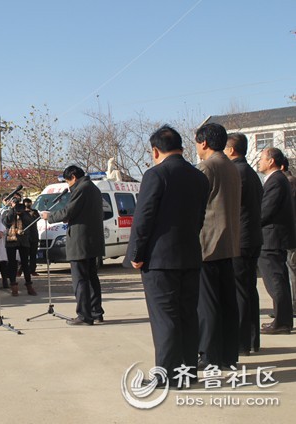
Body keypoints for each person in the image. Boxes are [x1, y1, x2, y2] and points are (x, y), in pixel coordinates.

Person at [126, 125, 209, 385]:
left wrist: (136, 253)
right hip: (190, 255)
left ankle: (167, 375)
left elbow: (143, 218)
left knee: (165, 318)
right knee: (187, 315)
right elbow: (199, 218)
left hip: (160, 259)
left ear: (155, 150)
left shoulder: (156, 175)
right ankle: (187, 372)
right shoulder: (199, 177)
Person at [194, 123, 241, 368]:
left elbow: (195, 206)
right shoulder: (231, 167)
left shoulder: (206, 167)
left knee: (208, 304)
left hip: (209, 244)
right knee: (227, 302)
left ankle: (209, 355)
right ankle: (228, 355)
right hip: (229, 243)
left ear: (204, 143)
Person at [41, 166, 104, 326]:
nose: (68, 185)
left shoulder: (81, 189)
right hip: (91, 240)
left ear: (74, 177)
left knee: (80, 279)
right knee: (91, 278)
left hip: (80, 241)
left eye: (68, 181)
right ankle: (96, 312)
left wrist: (50, 216)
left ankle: (84, 315)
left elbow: (69, 211)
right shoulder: (94, 188)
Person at [224, 133, 263, 354]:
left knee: (240, 291)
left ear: (231, 150)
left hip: (241, 239)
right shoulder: (250, 172)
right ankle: (252, 339)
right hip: (252, 238)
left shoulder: (236, 172)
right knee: (249, 290)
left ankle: (241, 342)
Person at [257, 147, 296, 334]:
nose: (259, 161)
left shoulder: (276, 180)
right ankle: (284, 320)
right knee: (278, 278)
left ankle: (281, 322)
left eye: (262, 158)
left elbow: (266, 210)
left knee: (275, 280)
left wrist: (250, 223)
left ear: (271, 161)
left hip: (271, 237)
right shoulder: (278, 180)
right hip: (275, 236)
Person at [2, 198, 37, 296]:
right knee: (12, 264)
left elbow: (30, 222)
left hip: (23, 240)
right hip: (11, 240)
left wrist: (22, 213)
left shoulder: (25, 213)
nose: (17, 206)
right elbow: (6, 222)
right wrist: (13, 211)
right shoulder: (6, 212)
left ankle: (29, 286)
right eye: (14, 203)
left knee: (25, 264)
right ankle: (13, 285)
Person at [278, 158, 296, 315]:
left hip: (290, 234)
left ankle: (293, 307)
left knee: (291, 270)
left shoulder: (288, 182)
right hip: (289, 233)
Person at [23, 198, 40, 277]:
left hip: (34, 235)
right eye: (26, 203)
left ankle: (33, 270)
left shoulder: (35, 211)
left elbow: (38, 218)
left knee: (33, 254)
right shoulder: (22, 212)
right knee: (25, 254)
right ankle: (22, 270)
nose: (28, 205)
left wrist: (33, 213)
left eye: (29, 203)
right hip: (25, 236)